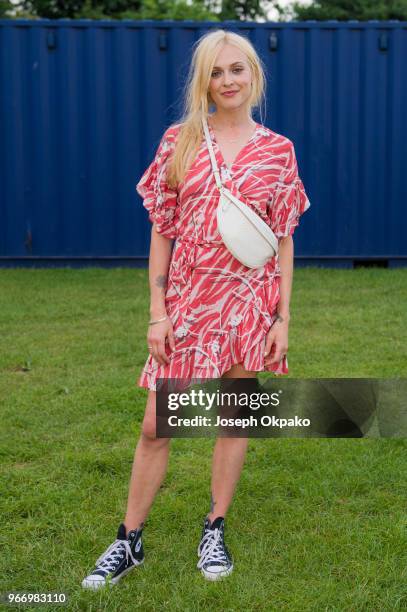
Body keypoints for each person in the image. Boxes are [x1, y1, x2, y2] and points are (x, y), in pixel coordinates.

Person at [82, 28, 311, 589]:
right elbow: (162, 230)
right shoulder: (179, 141)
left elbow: (282, 237)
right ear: (203, 80)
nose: (228, 81)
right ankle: (128, 540)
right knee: (158, 425)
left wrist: (284, 316)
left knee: (233, 419)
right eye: (216, 71)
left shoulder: (278, 151)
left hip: (251, 304)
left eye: (237, 69)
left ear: (254, 73)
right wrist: (157, 310)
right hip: (190, 304)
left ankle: (215, 526)